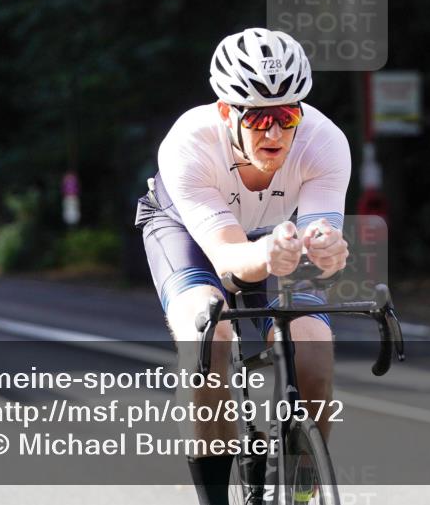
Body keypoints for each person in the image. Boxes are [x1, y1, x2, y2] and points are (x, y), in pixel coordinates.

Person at [135, 27, 351, 505]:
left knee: (313, 349)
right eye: (257, 118)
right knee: (207, 333)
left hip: (276, 233)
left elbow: (319, 237)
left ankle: (298, 492)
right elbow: (231, 260)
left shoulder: (324, 141)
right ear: (225, 112)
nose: (274, 132)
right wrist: (267, 254)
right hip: (189, 232)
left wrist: (328, 251)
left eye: (286, 114)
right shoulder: (188, 144)